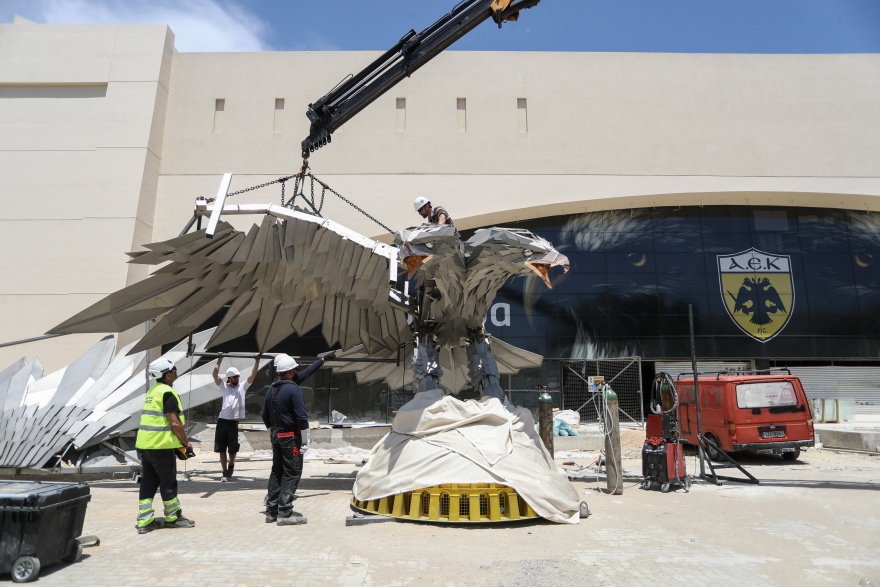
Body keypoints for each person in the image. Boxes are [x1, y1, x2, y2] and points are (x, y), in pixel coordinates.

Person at [262, 352, 335, 525]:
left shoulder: (272, 388)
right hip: (290, 438)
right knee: (292, 472)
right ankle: (285, 513)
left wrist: (321, 361)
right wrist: (305, 439)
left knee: (277, 471)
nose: (297, 372)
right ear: (291, 372)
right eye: (295, 369)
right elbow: (301, 418)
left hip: (276, 437)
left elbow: (265, 415)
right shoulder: (294, 389)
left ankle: (271, 511)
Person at [134, 358, 196, 534]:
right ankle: (173, 517)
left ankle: (145, 521)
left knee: (148, 482)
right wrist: (186, 443)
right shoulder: (167, 393)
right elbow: (175, 423)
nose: (176, 371)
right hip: (161, 446)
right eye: (174, 369)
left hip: (146, 445)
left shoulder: (153, 391)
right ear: (167, 375)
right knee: (167, 481)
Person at [212, 357, 259, 481]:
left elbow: (252, 375)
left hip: (233, 424)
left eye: (238, 377)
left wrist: (257, 362)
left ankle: (231, 465)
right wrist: (219, 361)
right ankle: (224, 472)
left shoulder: (242, 387)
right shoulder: (225, 387)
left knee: (232, 449)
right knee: (221, 448)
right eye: (234, 377)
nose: (237, 379)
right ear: (229, 378)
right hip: (222, 421)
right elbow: (215, 375)